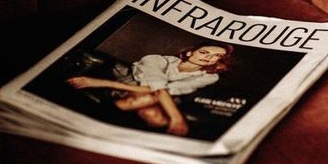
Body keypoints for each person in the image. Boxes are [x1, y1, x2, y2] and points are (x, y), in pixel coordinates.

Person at [67, 43, 234, 136]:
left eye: (216, 56)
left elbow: (169, 90)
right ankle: (86, 126)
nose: (209, 57)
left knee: (156, 118)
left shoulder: (210, 76)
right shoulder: (155, 59)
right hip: (131, 84)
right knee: (147, 99)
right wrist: (177, 119)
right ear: (190, 53)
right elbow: (158, 87)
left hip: (160, 96)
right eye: (204, 52)